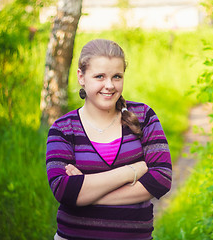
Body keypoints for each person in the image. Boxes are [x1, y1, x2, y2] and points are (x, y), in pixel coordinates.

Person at [46, 39, 172, 240]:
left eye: (117, 76)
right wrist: (131, 171)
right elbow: (64, 191)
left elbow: (161, 179)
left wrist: (87, 194)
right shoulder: (63, 128)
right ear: (81, 76)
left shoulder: (143, 116)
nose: (110, 85)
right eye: (99, 76)